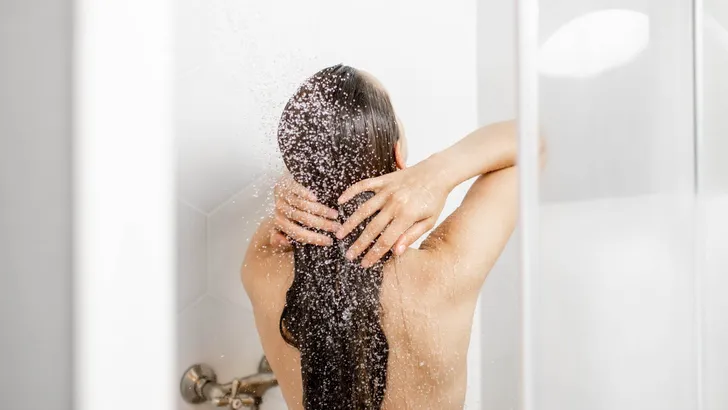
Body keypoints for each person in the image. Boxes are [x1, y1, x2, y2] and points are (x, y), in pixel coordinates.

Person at [241, 64, 542, 410]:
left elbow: (286, 215)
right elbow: (537, 140)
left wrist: (290, 193)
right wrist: (437, 174)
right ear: (397, 154)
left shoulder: (261, 268)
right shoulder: (445, 272)